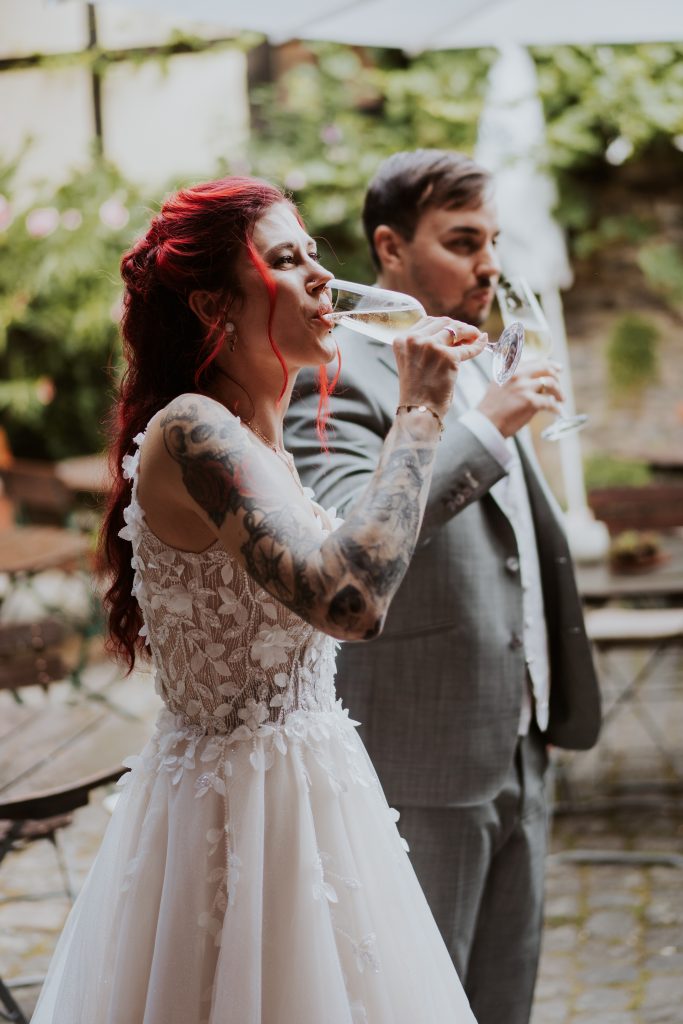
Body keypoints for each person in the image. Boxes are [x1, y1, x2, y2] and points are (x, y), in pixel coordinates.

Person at [30, 176, 489, 1024]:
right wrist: (420, 412)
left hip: (317, 792)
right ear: (213, 305)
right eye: (285, 260)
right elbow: (349, 602)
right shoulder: (192, 431)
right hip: (234, 817)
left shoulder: (259, 440)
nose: (321, 277)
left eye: (315, 254)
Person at [285, 149, 601, 1024]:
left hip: (519, 735)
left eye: (492, 241)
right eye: (462, 242)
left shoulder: (483, 358)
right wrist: (489, 428)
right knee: (417, 1002)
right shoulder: (332, 374)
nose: (488, 264)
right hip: (418, 750)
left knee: (504, 995)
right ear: (389, 248)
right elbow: (351, 538)